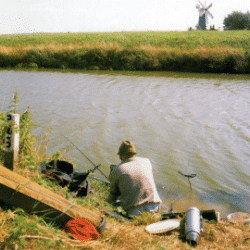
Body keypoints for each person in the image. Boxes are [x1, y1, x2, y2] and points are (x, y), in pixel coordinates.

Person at [108, 140, 162, 217]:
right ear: (134, 153)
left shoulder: (118, 169)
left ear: (121, 156)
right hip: (155, 207)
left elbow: (113, 196)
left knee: (112, 202)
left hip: (135, 213)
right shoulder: (147, 162)